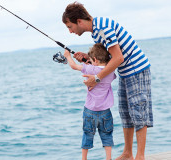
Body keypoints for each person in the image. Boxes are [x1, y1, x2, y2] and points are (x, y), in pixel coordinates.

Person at [62, 2, 153, 160]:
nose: (70, 31)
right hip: (125, 72)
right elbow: (108, 58)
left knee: (138, 112)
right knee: (126, 113)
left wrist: (96, 78)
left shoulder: (102, 28)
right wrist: (88, 58)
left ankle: (140, 156)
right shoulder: (96, 32)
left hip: (137, 69)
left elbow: (118, 57)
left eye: (70, 26)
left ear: (79, 21)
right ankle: (127, 153)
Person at [64, 43, 116, 160]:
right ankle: (108, 158)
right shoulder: (110, 71)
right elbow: (101, 68)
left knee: (87, 135)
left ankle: (84, 158)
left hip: (90, 111)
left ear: (95, 60)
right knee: (107, 135)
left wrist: (68, 56)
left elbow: (73, 66)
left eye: (92, 60)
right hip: (105, 111)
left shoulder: (90, 68)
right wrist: (90, 62)